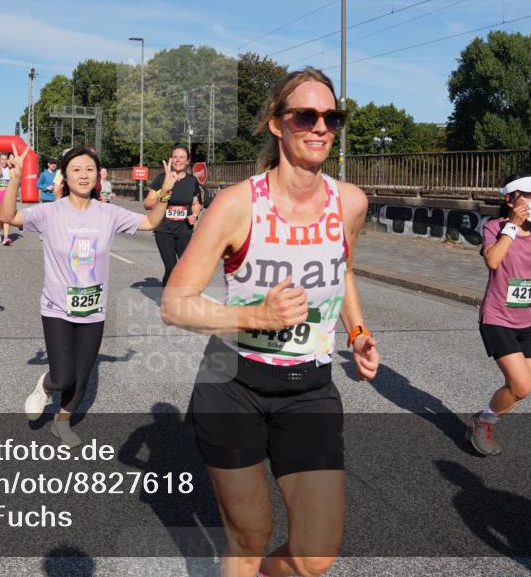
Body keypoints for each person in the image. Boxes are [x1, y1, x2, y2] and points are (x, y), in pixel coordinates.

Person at [160, 68, 380, 577]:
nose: (321, 126)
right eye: (306, 115)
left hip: (310, 388)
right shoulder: (238, 205)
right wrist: (255, 315)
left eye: (332, 117)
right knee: (249, 537)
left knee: (315, 555)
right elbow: (175, 303)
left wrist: (358, 331)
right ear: (277, 125)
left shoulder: (350, 203)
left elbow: (341, 270)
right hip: (233, 386)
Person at [0, 145, 177, 448]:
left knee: (81, 378)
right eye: (76, 169)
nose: (83, 175)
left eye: (89, 170)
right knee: (63, 376)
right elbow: (9, 215)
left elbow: (149, 222)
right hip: (56, 307)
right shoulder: (50, 212)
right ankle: (45, 385)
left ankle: (62, 422)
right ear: (65, 176)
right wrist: (15, 179)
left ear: (97, 176)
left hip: (93, 309)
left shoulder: (108, 213)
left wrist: (165, 192)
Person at [467, 173, 531, 456]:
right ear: (510, 200)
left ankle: (483, 419)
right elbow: (492, 260)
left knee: (520, 388)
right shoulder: (494, 227)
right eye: (527, 195)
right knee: (522, 386)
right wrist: (512, 226)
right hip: (497, 318)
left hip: (529, 321)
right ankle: (483, 421)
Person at [143, 145, 204, 286]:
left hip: (184, 230)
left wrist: (194, 214)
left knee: (185, 268)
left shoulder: (192, 181)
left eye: (182, 157)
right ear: (171, 160)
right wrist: (163, 196)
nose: (178, 160)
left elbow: (196, 203)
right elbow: (147, 203)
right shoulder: (162, 179)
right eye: (175, 157)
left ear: (188, 161)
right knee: (171, 268)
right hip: (164, 229)